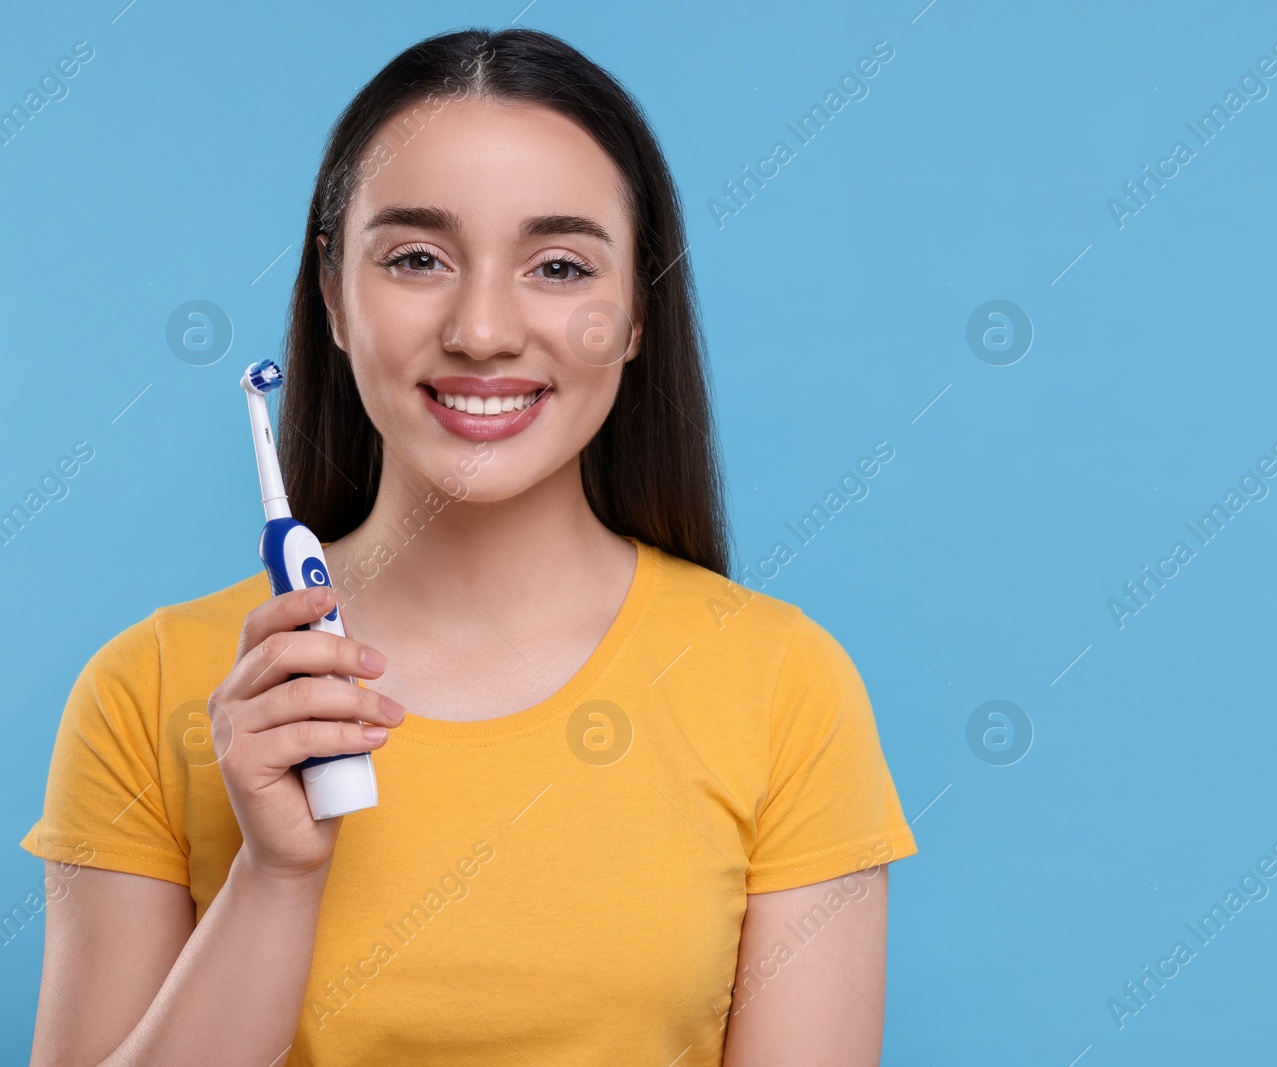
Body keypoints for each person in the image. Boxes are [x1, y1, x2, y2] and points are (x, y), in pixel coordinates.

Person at [19, 28, 916, 1066]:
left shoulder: (781, 687)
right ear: (332, 295)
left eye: (560, 264)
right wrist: (276, 877)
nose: (483, 329)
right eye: (416, 258)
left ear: (635, 313)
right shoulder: (149, 690)